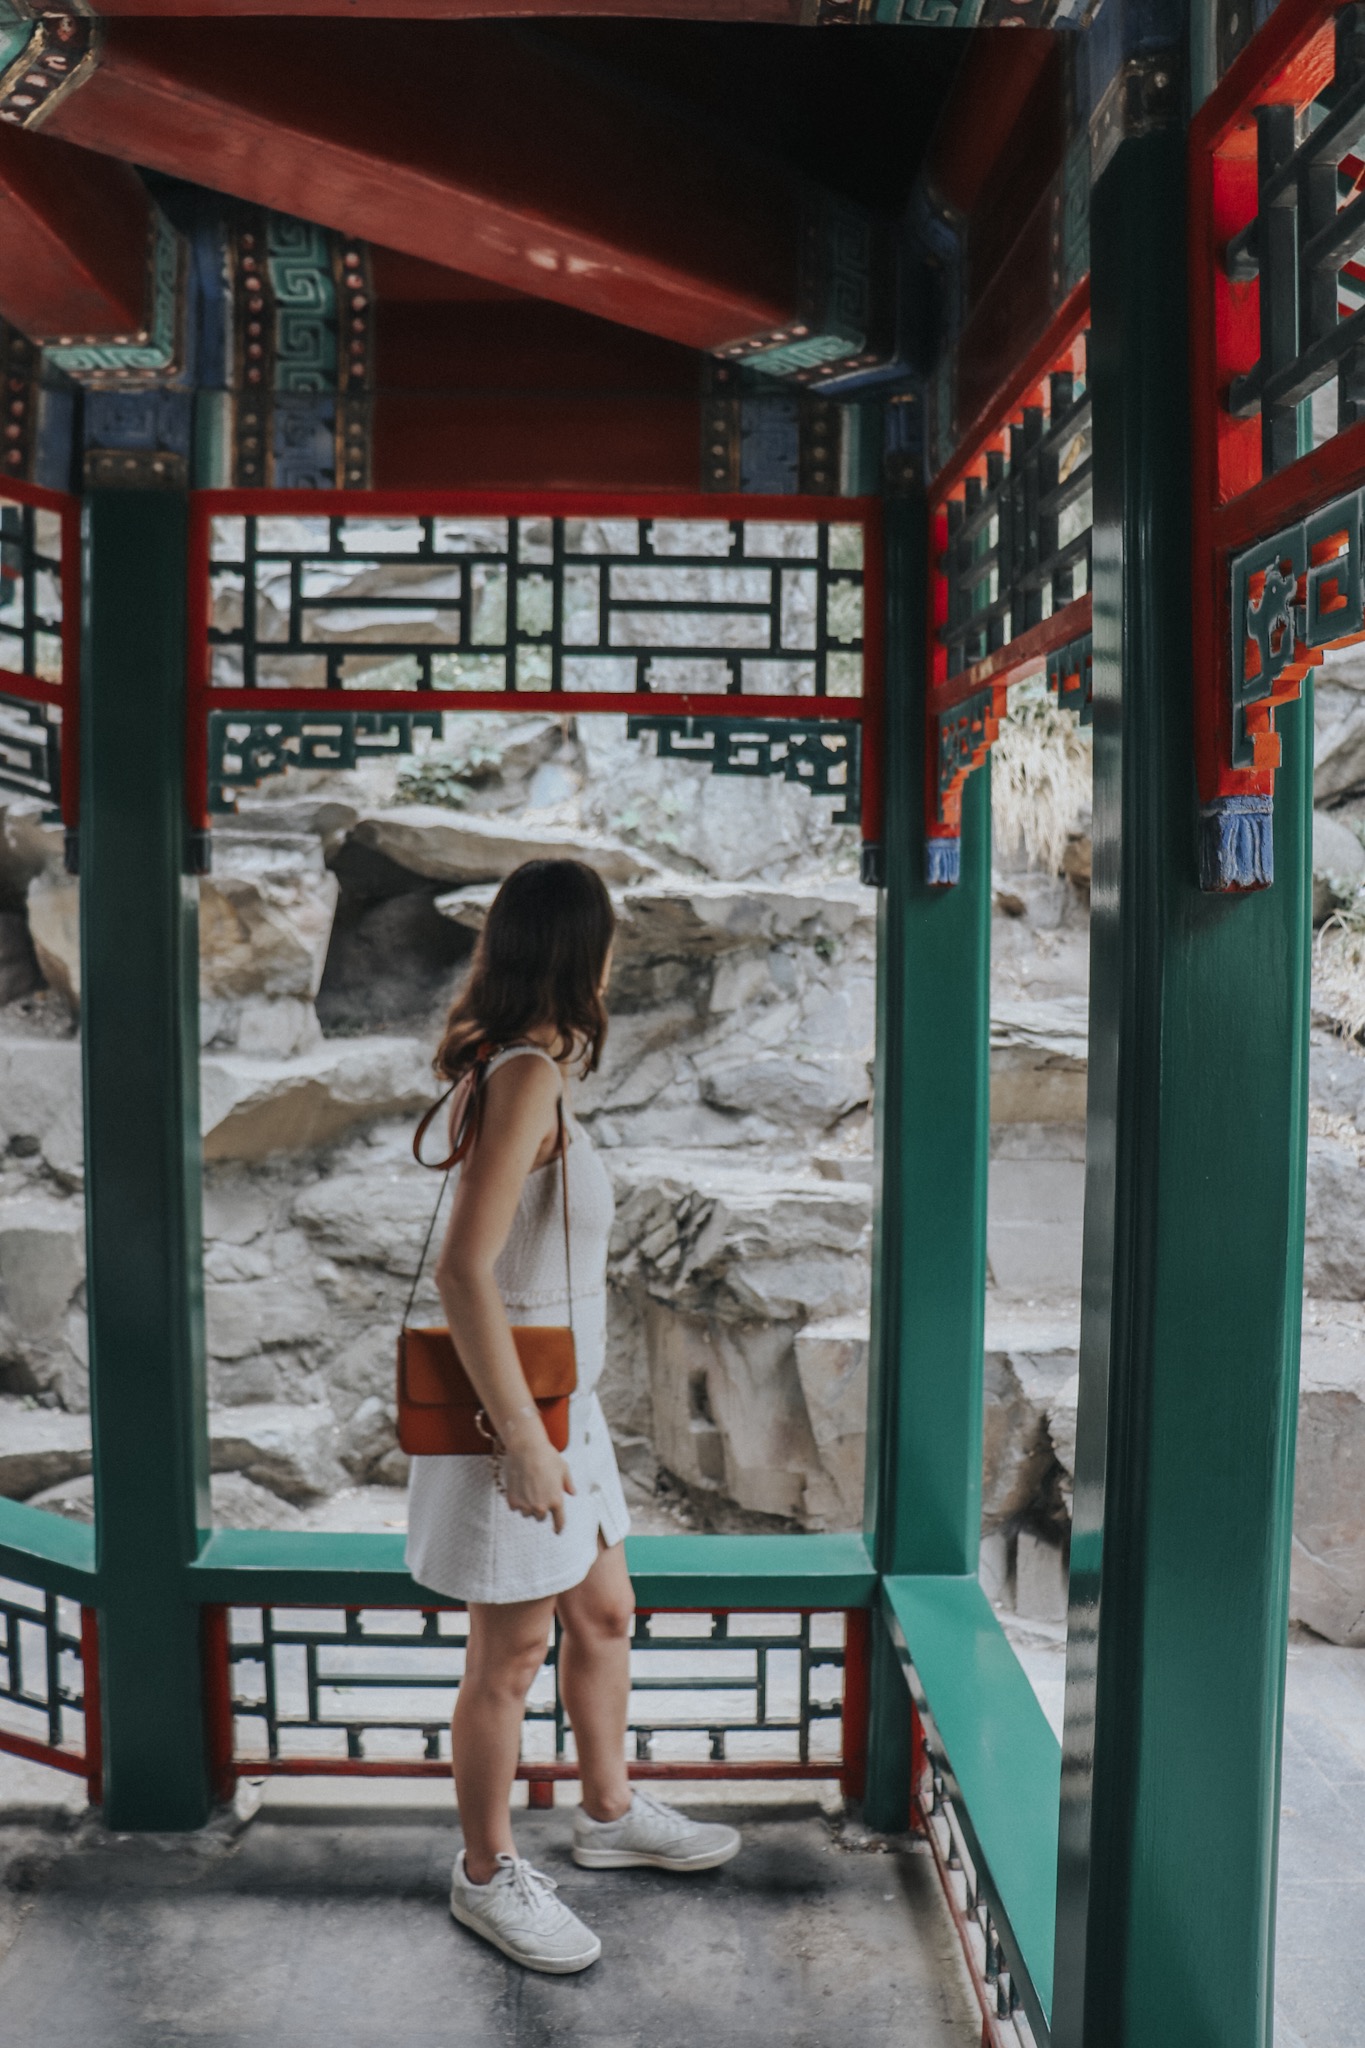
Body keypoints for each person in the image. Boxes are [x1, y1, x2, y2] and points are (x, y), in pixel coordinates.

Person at [406, 858, 739, 1975]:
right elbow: (463, 1271)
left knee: (604, 1615)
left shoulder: (526, 1070)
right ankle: (486, 1871)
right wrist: (524, 1442)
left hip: (564, 1409)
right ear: (578, 953)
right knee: (508, 1655)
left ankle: (607, 1811)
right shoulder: (524, 1076)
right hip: (519, 1422)